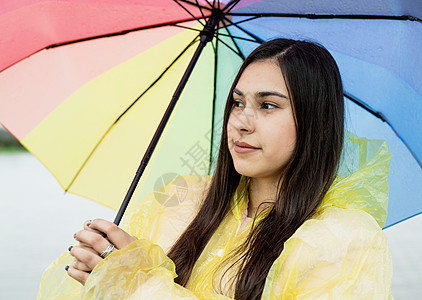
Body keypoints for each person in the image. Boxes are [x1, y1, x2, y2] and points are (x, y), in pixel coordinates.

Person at [38, 38, 393, 299]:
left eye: (268, 106)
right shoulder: (182, 200)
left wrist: (136, 285)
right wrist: (98, 273)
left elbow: (136, 286)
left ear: (317, 123)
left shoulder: (343, 240)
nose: (241, 121)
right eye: (237, 102)